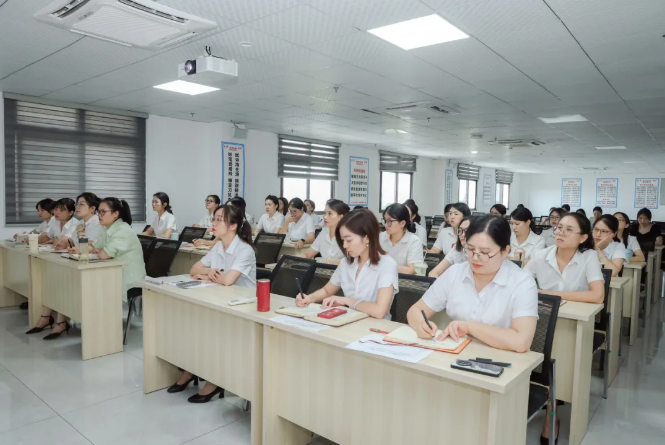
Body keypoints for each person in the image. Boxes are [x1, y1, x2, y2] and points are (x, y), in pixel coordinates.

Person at [524, 212, 604, 443]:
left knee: (562, 365)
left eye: (569, 230)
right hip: (541, 320)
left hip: (574, 323)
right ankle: (545, 400)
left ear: (583, 237)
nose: (560, 232)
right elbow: (521, 283)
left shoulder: (588, 256)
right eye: (559, 228)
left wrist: (552, 294)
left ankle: (553, 411)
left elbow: (597, 295)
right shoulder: (541, 255)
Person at [406, 215, 538, 353]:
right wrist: (421, 324)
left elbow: (521, 341)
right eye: (470, 249)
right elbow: (416, 310)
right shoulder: (455, 272)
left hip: (500, 358)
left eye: (484, 252)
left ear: (505, 251)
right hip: (454, 353)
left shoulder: (522, 283)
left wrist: (469, 327)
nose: (475, 258)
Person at [169, 204, 257, 403]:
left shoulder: (244, 250)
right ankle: (191, 369)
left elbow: (228, 280)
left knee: (210, 330)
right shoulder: (218, 246)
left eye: (219, 219)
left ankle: (214, 381)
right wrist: (208, 272)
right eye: (214, 218)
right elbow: (193, 269)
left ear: (233, 225)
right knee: (191, 324)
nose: (213, 223)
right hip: (219, 300)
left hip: (242, 308)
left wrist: (210, 276)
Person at [33, 198, 146, 340]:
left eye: (103, 212)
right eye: (99, 212)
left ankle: (89, 328)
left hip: (127, 276)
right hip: (110, 271)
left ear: (115, 214)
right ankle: (62, 320)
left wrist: (97, 249)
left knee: (79, 283)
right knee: (65, 280)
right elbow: (95, 246)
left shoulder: (123, 230)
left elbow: (104, 254)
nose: (99, 215)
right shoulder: (108, 228)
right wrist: (85, 249)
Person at [296, 209, 399, 320]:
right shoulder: (346, 262)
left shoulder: (387, 265)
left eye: (349, 240)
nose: (344, 245)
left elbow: (379, 311)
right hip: (348, 321)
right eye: (342, 240)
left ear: (367, 238)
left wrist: (346, 301)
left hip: (375, 326)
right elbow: (327, 290)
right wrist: (309, 298)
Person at [379, 203, 423, 274]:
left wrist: (385, 265)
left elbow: (411, 270)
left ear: (402, 223)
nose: (386, 225)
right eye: (385, 220)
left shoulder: (414, 241)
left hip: (403, 280)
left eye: (389, 221)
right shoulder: (380, 237)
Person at [303, 199, 350, 264]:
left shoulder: (348, 235)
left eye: (330, 213)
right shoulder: (324, 232)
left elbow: (352, 261)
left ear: (340, 217)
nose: (325, 217)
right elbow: (308, 254)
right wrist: (292, 259)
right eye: (325, 213)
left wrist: (330, 261)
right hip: (322, 269)